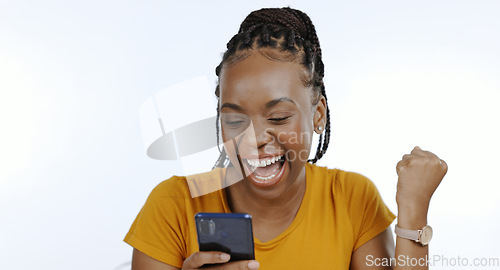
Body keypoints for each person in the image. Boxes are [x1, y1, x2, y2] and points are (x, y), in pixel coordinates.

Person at [124, 7, 448, 270]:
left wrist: (413, 213)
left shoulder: (352, 200)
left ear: (318, 114)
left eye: (278, 118)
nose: (253, 139)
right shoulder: (172, 204)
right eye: (234, 119)